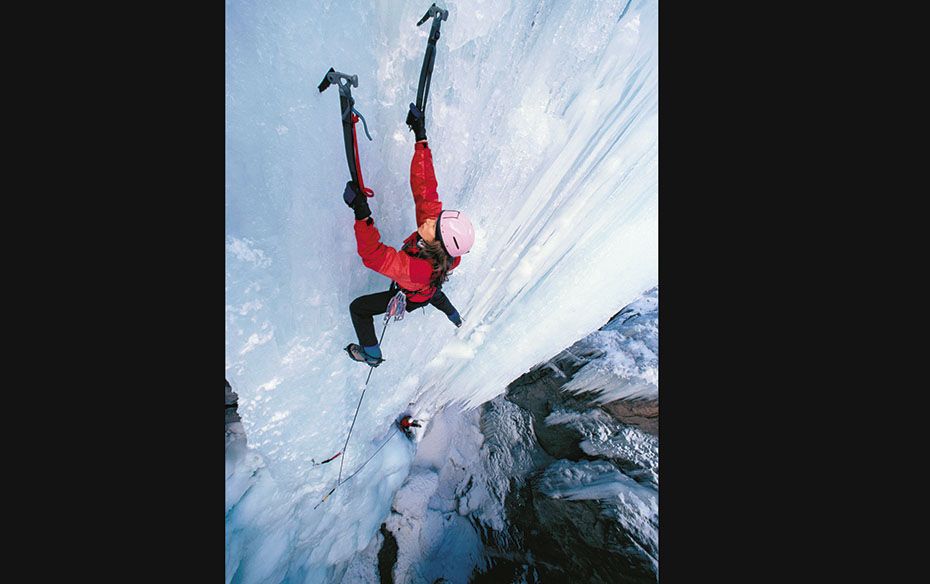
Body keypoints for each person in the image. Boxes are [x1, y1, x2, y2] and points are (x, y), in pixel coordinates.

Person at [343, 104, 475, 367]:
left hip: (415, 292)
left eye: (434, 224)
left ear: (437, 241)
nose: (430, 220)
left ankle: (372, 355)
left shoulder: (416, 270)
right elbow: (426, 187)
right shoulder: (440, 240)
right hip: (430, 288)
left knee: (359, 309)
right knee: (437, 298)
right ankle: (455, 317)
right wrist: (421, 137)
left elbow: (374, 256)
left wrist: (361, 214)